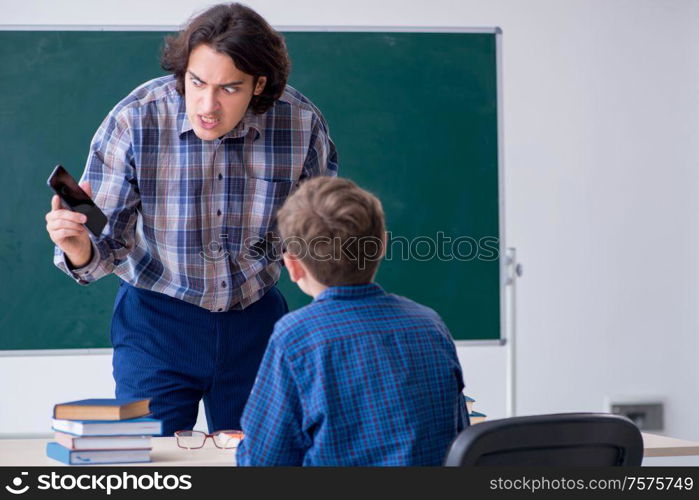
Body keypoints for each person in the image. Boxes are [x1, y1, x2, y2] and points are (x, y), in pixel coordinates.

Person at [44, 3, 338, 436]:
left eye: (229, 89)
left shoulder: (300, 124)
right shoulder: (135, 119)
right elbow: (105, 247)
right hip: (156, 323)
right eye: (197, 82)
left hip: (256, 321)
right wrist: (80, 247)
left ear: (259, 84)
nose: (207, 105)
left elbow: (316, 232)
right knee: (150, 466)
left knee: (263, 467)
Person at [236, 177, 468, 466]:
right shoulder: (429, 326)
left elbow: (264, 461)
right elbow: (457, 438)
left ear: (293, 266)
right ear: (382, 245)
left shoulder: (296, 337)